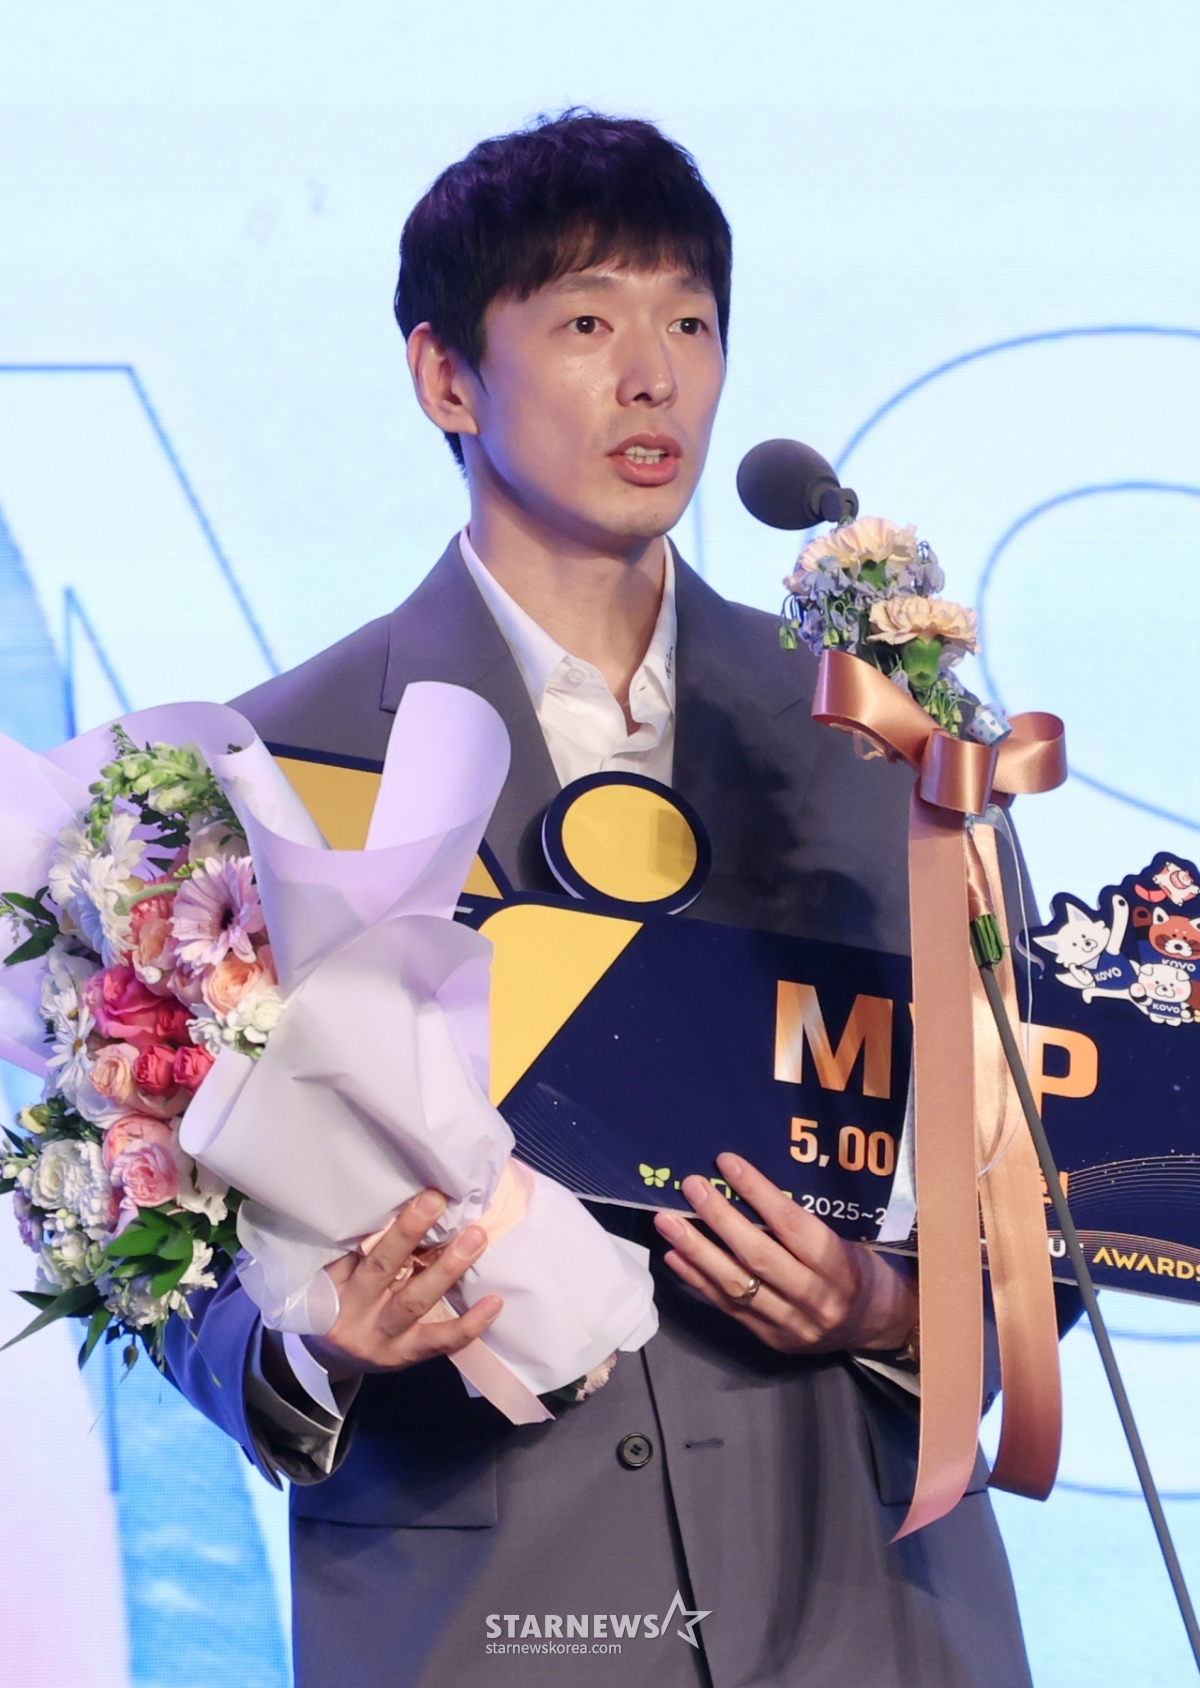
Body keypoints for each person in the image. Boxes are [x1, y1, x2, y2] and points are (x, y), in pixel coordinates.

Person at [167, 111, 1050, 1687]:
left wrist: (887, 1305)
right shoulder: (275, 765)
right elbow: (161, 1252)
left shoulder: (882, 743)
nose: (654, 379)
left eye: (689, 325)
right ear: (446, 378)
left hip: (864, 1609)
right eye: (587, 324)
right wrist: (316, 1343)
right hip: (490, 1623)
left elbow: (1036, 1191)